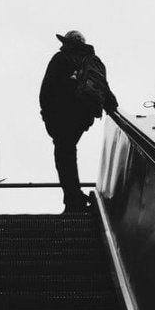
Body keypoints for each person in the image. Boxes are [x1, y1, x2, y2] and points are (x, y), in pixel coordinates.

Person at [39, 29, 118, 213]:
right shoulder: (94, 61)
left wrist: (47, 115)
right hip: (83, 116)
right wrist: (112, 108)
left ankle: (73, 200)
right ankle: (74, 197)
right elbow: (104, 89)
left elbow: (47, 89)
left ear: (66, 42)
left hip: (62, 115)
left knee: (63, 154)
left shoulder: (61, 58)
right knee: (68, 151)